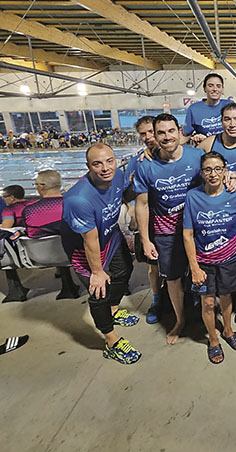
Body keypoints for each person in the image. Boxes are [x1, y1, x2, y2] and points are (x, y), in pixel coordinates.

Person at [61, 143, 141, 364]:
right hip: (84, 247)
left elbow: (124, 192)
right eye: (97, 164)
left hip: (109, 234)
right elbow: (90, 240)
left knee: (124, 270)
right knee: (99, 291)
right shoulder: (78, 198)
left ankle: (113, 310)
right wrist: (97, 271)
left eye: (109, 161)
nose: (105, 168)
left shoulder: (118, 175)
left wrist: (138, 185)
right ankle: (111, 341)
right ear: (88, 166)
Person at [133, 114, 205, 344]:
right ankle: (180, 319)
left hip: (196, 230)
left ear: (179, 131)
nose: (167, 137)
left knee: (201, 273)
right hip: (165, 233)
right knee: (173, 279)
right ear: (155, 135)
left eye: (171, 131)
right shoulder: (145, 165)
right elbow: (142, 205)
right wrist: (146, 240)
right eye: (161, 132)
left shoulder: (196, 156)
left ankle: (204, 313)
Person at [183, 151, 236, 364]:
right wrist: (194, 267)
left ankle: (228, 330)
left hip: (230, 257)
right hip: (204, 261)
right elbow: (187, 234)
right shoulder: (193, 197)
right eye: (208, 169)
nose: (213, 174)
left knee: (227, 296)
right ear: (202, 173)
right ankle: (213, 339)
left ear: (225, 171)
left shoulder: (235, 195)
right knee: (208, 302)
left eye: (218, 169)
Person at [125, 116, 163, 324]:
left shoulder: (178, 154)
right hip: (151, 221)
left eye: (151, 132)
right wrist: (132, 185)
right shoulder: (136, 162)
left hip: (177, 219)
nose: (148, 137)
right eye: (143, 134)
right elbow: (126, 196)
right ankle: (157, 299)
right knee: (153, 265)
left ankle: (189, 297)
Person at [197, 102, 236, 182]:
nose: (232, 124)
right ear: (222, 122)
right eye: (227, 119)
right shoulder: (208, 144)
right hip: (219, 189)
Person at [183, 73, 227, 140]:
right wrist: (195, 137)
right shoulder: (194, 109)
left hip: (227, 145)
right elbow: (186, 134)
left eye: (218, 86)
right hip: (205, 145)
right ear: (204, 88)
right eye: (210, 86)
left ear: (222, 89)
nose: (215, 89)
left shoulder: (228, 105)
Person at [23, 170, 64, 238]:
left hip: (38, 245)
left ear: (40, 186)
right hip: (71, 244)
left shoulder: (29, 211)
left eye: (36, 185)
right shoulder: (71, 205)